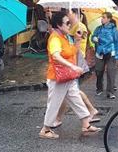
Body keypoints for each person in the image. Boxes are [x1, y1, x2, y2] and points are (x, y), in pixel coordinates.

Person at [39, 10, 99, 139]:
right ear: (59, 25)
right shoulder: (55, 38)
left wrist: (77, 40)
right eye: (67, 23)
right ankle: (45, 129)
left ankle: (85, 123)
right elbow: (55, 55)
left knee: (76, 98)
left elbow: (72, 51)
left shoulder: (64, 37)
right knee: (54, 103)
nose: (70, 25)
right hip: (58, 77)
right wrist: (72, 66)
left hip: (68, 76)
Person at [92, 11, 118, 99]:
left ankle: (110, 92)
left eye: (104, 17)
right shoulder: (98, 28)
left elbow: (117, 41)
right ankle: (99, 88)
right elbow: (93, 37)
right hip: (100, 52)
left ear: (109, 19)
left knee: (111, 72)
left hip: (111, 52)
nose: (102, 19)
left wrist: (117, 53)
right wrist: (94, 38)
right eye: (102, 17)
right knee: (99, 71)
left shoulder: (114, 29)